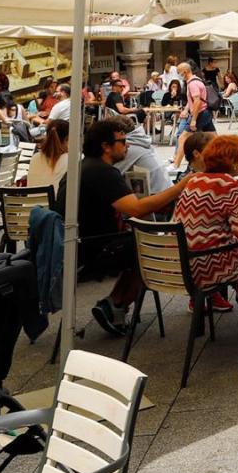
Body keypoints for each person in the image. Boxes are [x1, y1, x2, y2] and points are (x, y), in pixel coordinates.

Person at [56, 117, 190, 336]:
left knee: (138, 244)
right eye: (122, 141)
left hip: (76, 243)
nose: (127, 146)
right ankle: (117, 305)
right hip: (89, 248)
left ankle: (114, 304)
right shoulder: (102, 172)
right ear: (106, 146)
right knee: (151, 249)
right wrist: (179, 187)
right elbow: (136, 208)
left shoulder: (85, 167)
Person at [171, 133, 238, 329]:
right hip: (206, 265)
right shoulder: (230, 185)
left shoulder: (194, 181)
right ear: (234, 162)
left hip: (180, 263)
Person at [119, 116, 171, 195]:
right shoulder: (141, 141)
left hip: (160, 197)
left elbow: (109, 175)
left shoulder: (129, 148)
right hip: (165, 191)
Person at [30, 118, 71, 188]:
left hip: (31, 195)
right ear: (67, 139)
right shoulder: (72, 160)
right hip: (56, 195)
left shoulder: (35, 157)